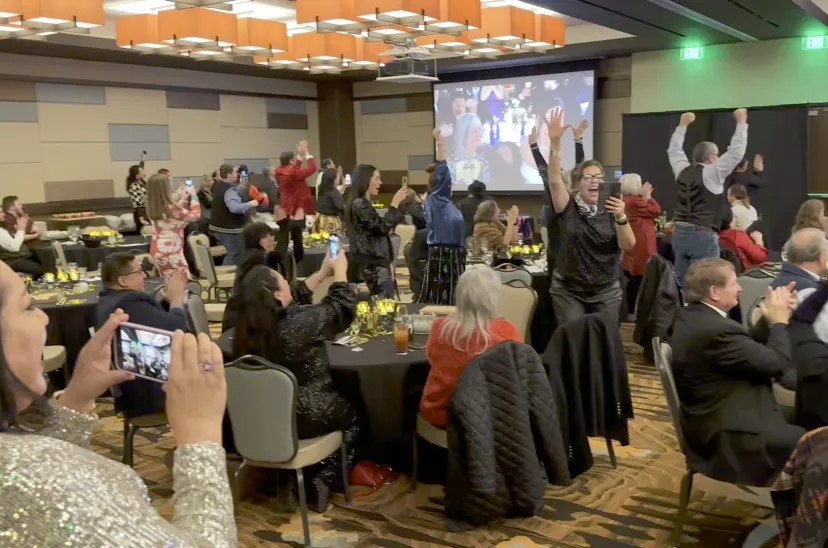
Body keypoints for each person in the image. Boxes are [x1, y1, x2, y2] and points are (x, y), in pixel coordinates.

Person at [0, 259, 234, 546]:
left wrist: (76, 400)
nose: (44, 318)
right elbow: (39, 484)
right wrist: (201, 437)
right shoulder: (54, 485)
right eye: (27, 306)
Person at [232, 251, 361, 511]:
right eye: (284, 282)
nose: (291, 286)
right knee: (354, 412)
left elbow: (295, 296)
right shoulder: (297, 324)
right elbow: (340, 308)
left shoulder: (245, 327)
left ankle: (287, 476)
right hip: (305, 412)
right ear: (277, 295)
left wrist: (321, 274)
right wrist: (340, 271)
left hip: (260, 413)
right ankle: (324, 477)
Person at [670, 258, 804, 486]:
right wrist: (779, 323)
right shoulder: (716, 330)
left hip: (721, 414)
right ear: (714, 292)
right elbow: (777, 365)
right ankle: (803, 502)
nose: (740, 288)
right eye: (734, 283)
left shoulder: (695, 316)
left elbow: (745, 346)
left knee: (808, 414)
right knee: (817, 442)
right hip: (730, 435)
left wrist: (768, 319)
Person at [530, 110, 635, 325]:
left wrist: (621, 217)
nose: (594, 181)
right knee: (573, 338)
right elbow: (553, 180)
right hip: (569, 290)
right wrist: (555, 143)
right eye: (588, 177)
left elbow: (628, 244)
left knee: (604, 338)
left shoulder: (612, 208)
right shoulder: (567, 206)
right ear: (577, 184)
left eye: (598, 177)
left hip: (606, 289)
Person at [420, 267, 522, 427]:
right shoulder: (507, 330)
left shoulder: (440, 327)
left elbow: (431, 358)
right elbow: (518, 371)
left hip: (441, 413)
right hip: (491, 419)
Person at [98, 253, 190, 418]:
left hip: (136, 379)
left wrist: (167, 301)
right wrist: (177, 300)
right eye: (139, 272)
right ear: (123, 281)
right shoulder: (129, 303)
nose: (145, 275)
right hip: (150, 388)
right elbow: (175, 329)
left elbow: (152, 322)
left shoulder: (110, 299)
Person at [667, 109, 748, 286]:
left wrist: (682, 125)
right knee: (706, 283)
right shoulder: (713, 173)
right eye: (717, 155)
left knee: (682, 282)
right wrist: (741, 122)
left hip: (679, 233)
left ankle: (682, 304)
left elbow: (674, 149)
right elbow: (736, 152)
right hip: (702, 235)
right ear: (711, 158)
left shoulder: (682, 170)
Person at [419, 129, 467, 305]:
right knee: (442, 301)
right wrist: (440, 143)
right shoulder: (437, 199)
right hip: (443, 257)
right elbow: (442, 170)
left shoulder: (444, 202)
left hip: (453, 256)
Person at [345, 164, 407, 298]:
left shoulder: (362, 202)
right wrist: (394, 204)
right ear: (366, 180)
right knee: (384, 302)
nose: (380, 182)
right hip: (371, 265)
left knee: (385, 301)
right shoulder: (359, 204)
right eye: (377, 178)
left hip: (375, 261)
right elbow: (382, 229)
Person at [620, 175, 661, 315]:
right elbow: (656, 210)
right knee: (641, 279)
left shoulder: (621, 200)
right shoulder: (638, 201)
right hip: (643, 244)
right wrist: (648, 197)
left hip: (630, 243)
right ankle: (639, 311)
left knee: (631, 276)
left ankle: (630, 311)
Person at [146, 174, 200, 279]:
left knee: (168, 281)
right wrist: (194, 195)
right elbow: (195, 215)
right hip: (171, 251)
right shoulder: (171, 208)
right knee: (183, 281)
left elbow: (171, 219)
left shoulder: (152, 207)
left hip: (157, 249)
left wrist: (183, 199)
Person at [275, 140, 317, 265]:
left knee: (284, 237)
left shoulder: (280, 170)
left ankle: (279, 263)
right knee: (296, 238)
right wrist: (306, 153)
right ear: (291, 160)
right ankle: (297, 263)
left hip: (285, 208)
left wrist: (299, 155)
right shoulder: (292, 173)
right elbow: (312, 168)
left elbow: (294, 169)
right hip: (295, 208)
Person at [209, 164, 258, 266]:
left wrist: (242, 185)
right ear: (229, 174)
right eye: (235, 172)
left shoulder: (217, 185)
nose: (238, 174)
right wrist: (251, 203)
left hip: (218, 226)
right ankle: (228, 274)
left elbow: (230, 195)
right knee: (233, 255)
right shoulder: (230, 190)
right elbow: (235, 208)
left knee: (230, 253)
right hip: (230, 229)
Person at [448, 113, 490, 187]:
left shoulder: (484, 162)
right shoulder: (451, 163)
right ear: (463, 133)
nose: (478, 134)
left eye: (480, 129)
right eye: (474, 130)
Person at [0, 213, 43, 278]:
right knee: (38, 269)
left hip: (23, 255)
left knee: (46, 260)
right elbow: (14, 247)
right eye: (0, 212)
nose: (3, 214)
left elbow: (16, 237)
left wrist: (23, 228)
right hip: (12, 260)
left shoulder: (4, 226)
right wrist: (21, 229)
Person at [314, 168, 345, 234]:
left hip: (320, 219)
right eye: (337, 177)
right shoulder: (333, 192)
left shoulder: (322, 189)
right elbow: (340, 206)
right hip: (330, 222)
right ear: (334, 179)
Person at [126, 151, 148, 231]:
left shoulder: (141, 182)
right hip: (141, 214)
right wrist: (141, 218)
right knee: (143, 233)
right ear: (136, 174)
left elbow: (140, 167)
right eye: (142, 172)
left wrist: (143, 160)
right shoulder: (134, 186)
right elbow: (137, 203)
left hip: (146, 211)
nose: (144, 173)